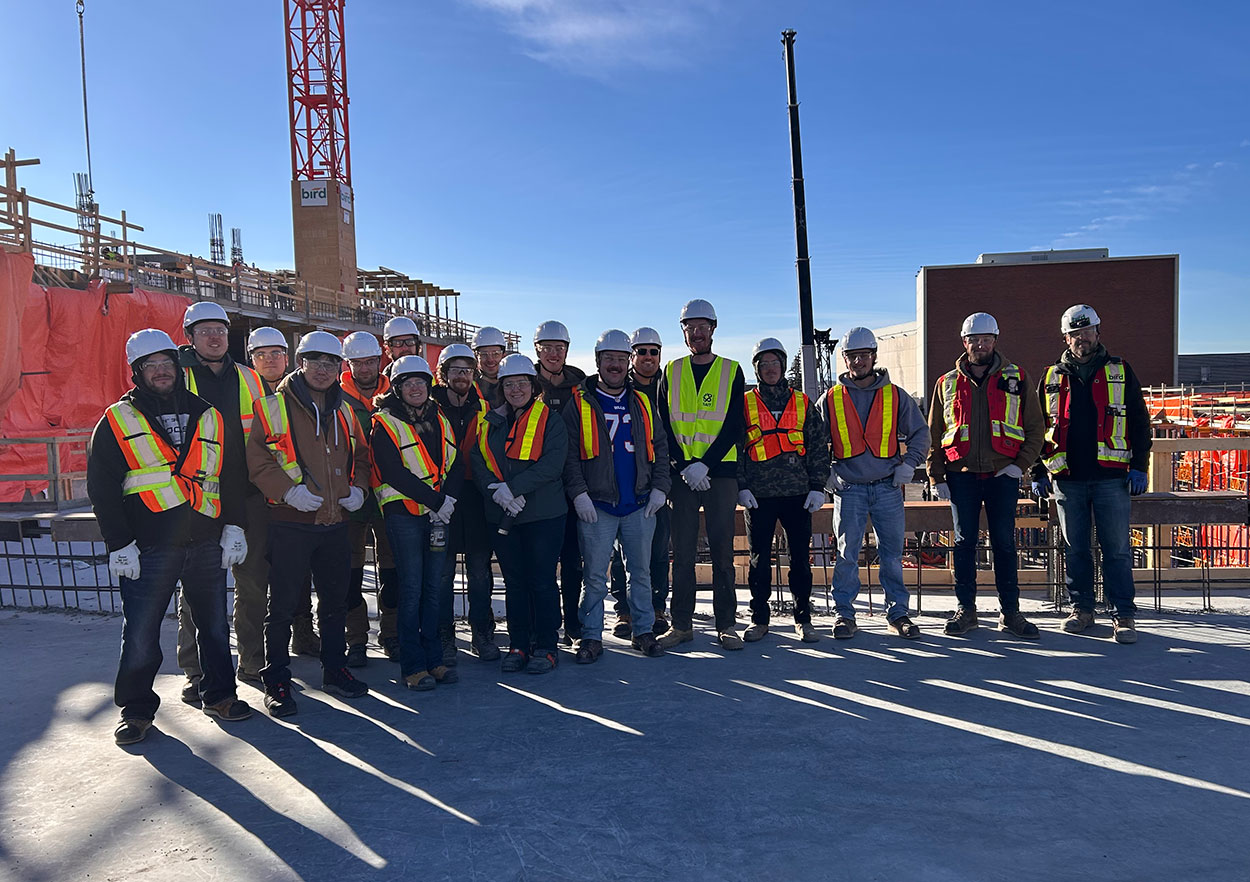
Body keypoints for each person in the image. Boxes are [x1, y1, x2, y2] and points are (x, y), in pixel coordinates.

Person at [89, 329, 251, 745]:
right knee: (141, 632)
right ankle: (137, 709)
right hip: (148, 545)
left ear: (178, 369)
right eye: (151, 366)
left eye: (166, 365)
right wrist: (118, 543)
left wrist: (235, 526)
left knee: (214, 626)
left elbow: (229, 475)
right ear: (137, 373)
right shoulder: (116, 420)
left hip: (205, 538)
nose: (161, 372)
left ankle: (218, 695)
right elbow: (103, 487)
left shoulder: (208, 414)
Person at [247, 331, 372, 716]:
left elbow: (363, 459)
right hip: (290, 522)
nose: (323, 369)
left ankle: (335, 669)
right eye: (315, 361)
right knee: (282, 606)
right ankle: (278, 680)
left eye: (331, 362)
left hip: (334, 522)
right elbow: (259, 460)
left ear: (339, 367)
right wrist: (287, 491)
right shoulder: (271, 408)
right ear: (300, 363)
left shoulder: (346, 411)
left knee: (334, 602)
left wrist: (360, 490)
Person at [1032, 305, 1151, 644]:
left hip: (1111, 478)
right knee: (1077, 549)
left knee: (1116, 549)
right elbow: (1040, 426)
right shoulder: (1052, 376)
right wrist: (1039, 471)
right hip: (1067, 478)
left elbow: (1140, 423)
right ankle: (1081, 610)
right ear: (1065, 337)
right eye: (1075, 333)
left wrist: (1140, 466)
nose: (1081, 338)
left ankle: (1123, 615)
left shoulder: (1120, 371)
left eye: (1087, 331)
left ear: (1098, 332)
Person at [927, 312, 1046, 639]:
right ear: (964, 343)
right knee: (964, 544)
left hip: (1001, 474)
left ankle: (1011, 613)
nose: (980, 345)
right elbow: (934, 433)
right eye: (973, 340)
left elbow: (1036, 428)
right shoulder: (947, 383)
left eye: (986, 339)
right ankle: (966, 610)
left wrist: (1019, 466)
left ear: (995, 340)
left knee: (1005, 544)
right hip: (960, 475)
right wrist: (936, 476)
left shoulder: (1017, 377)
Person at [174, 302, 268, 702]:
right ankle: (196, 671)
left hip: (247, 496)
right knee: (197, 588)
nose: (215, 337)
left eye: (220, 330)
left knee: (252, 584)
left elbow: (267, 434)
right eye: (205, 330)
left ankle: (252, 661)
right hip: (197, 499)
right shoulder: (174, 378)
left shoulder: (250, 378)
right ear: (190, 337)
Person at [563, 329, 671, 661]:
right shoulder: (579, 402)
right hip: (598, 504)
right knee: (594, 576)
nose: (615, 365)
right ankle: (591, 636)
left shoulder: (641, 401)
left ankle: (643, 631)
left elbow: (661, 447)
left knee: (641, 572)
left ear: (628, 363)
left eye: (621, 359)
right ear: (598, 362)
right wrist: (578, 493)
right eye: (609, 359)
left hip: (638, 502)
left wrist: (660, 488)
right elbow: (567, 454)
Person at [821, 327, 929, 640]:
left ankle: (898, 613)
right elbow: (813, 440)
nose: (858, 362)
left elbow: (921, 433)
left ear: (873, 357)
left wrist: (909, 465)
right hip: (849, 488)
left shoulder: (895, 395)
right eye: (852, 356)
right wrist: (824, 473)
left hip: (887, 487)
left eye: (863, 355)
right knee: (846, 555)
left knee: (892, 554)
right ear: (845, 359)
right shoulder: (831, 398)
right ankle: (844, 615)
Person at [470, 354, 569, 674]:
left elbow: (552, 465)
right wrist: (495, 491)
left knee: (541, 582)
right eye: (509, 384)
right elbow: (478, 460)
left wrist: (513, 489)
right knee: (514, 583)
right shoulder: (491, 422)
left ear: (533, 386)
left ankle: (546, 646)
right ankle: (518, 644)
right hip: (502, 515)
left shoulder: (550, 420)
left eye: (521, 383)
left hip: (543, 515)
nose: (515, 390)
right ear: (501, 388)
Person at [657, 299, 746, 650]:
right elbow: (664, 425)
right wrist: (683, 465)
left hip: (719, 473)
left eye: (702, 326)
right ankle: (681, 624)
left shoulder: (731, 370)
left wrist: (704, 464)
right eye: (690, 327)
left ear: (713, 328)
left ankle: (726, 624)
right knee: (682, 553)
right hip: (683, 478)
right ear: (683, 331)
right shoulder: (672, 371)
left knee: (723, 552)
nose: (697, 332)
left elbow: (734, 425)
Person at [372, 355, 463, 689]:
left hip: (438, 514)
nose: (415, 388)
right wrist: (438, 502)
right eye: (407, 383)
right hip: (405, 515)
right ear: (396, 388)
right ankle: (413, 667)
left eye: (420, 383)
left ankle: (434, 660)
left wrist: (448, 501)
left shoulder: (439, 418)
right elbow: (392, 471)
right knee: (411, 589)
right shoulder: (384, 423)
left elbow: (455, 461)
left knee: (433, 588)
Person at [738, 337, 830, 643]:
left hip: (797, 495)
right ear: (757, 369)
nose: (770, 369)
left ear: (782, 365)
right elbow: (735, 447)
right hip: (759, 497)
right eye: (764, 365)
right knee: (758, 561)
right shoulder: (745, 403)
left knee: (800, 560)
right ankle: (759, 619)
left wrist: (817, 486)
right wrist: (742, 485)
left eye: (775, 363)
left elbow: (818, 446)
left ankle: (803, 617)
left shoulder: (802, 403)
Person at [249, 326, 320, 657]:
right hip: (251, 493)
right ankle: (260, 648)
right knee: (258, 574)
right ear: (252, 358)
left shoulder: (300, 389)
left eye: (276, 353)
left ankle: (302, 631)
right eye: (261, 355)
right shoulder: (244, 388)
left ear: (287, 357)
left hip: (294, 500)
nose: (269, 360)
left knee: (297, 571)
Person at [431, 343, 500, 662]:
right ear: (443, 374)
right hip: (439, 497)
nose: (462, 376)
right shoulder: (428, 407)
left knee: (479, 571)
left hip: (474, 497)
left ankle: (482, 631)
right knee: (442, 573)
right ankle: (444, 633)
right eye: (455, 370)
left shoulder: (484, 407)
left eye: (467, 371)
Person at [339, 331, 399, 665]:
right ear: (349, 364)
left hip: (389, 499)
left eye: (370, 362)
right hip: (349, 499)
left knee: (392, 573)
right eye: (358, 363)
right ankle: (356, 639)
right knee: (349, 574)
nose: (365, 368)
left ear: (380, 360)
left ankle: (391, 634)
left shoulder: (396, 391)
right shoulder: (335, 397)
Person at [608, 326, 672, 637]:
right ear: (632, 356)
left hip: (659, 480)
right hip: (626, 482)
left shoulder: (670, 387)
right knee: (622, 553)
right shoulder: (621, 387)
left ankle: (658, 606)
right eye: (641, 351)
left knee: (658, 549)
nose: (648, 357)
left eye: (653, 352)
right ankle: (625, 611)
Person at [532, 320, 588, 645]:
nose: (554, 354)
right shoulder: (524, 383)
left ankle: (574, 624)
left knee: (572, 560)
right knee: (542, 561)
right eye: (547, 348)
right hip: (541, 488)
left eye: (559, 348)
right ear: (537, 349)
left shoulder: (580, 386)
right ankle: (547, 624)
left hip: (575, 485)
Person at [471, 326, 508, 405]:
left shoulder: (514, 384)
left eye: (496, 354)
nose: (490, 360)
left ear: (503, 355)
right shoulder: (468, 386)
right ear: (475, 356)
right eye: (484, 354)